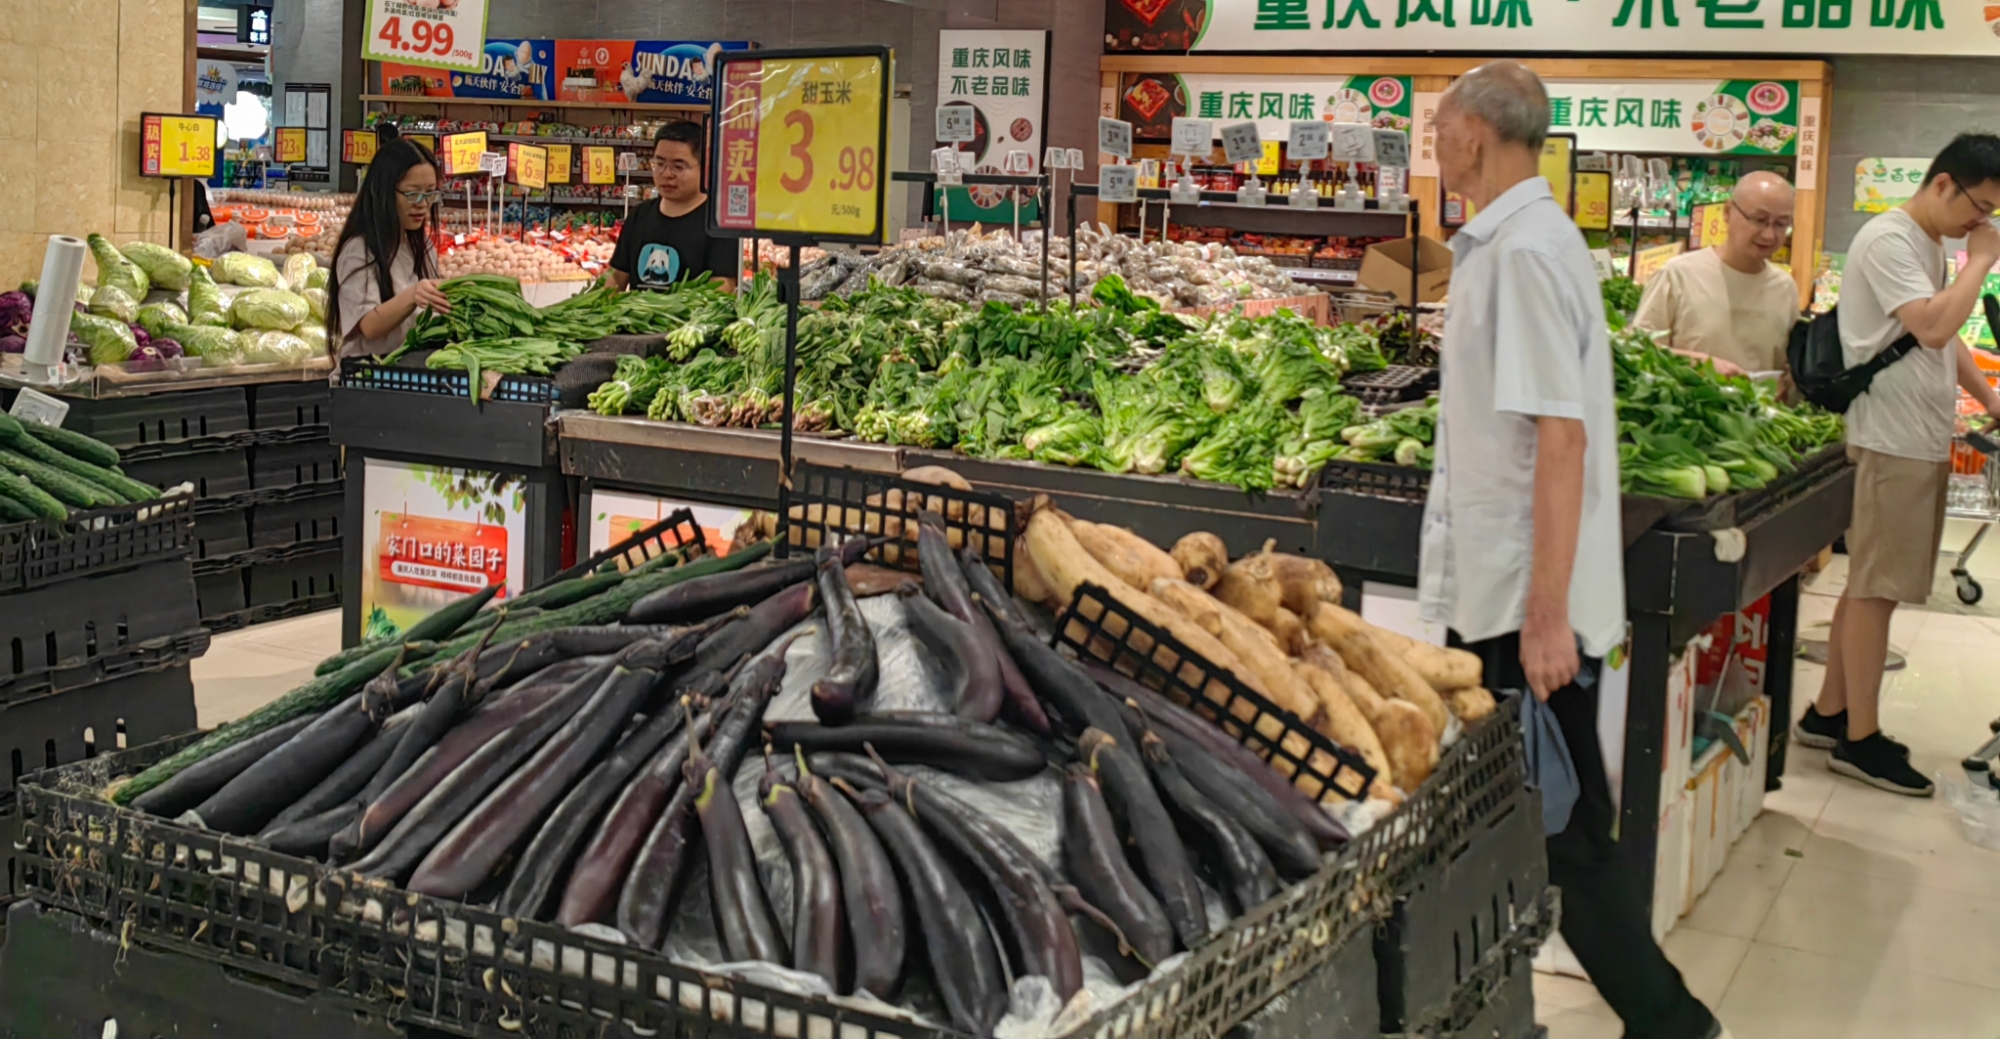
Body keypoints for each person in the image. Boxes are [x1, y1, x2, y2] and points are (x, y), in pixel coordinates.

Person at [1421, 61, 1728, 1039]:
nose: (1430, 139)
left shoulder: (1520, 253)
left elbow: (1560, 439)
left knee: (1563, 831)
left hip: (1523, 604)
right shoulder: (1515, 242)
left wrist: (1544, 612)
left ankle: (1671, 1021)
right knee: (1518, 821)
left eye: (1438, 123)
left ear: (1475, 133)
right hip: (1504, 594)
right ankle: (1492, 1002)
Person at [1797, 134, 2000, 796]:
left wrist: (1990, 395)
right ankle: (1860, 739)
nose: (1984, 221)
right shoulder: (1889, 241)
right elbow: (1936, 326)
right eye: (1981, 206)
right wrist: (1982, 263)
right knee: (1875, 589)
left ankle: (1828, 713)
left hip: (1914, 437)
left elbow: (1935, 343)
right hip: (1887, 439)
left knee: (1874, 583)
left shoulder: (1932, 246)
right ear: (1944, 184)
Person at [1633, 171, 1801, 379]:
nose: (1769, 234)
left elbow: (1787, 365)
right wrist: (1697, 362)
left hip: (1760, 410)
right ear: (1728, 212)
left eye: (1781, 224)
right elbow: (1637, 350)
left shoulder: (1784, 287)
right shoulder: (1678, 275)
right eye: (1759, 220)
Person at [327, 126, 449, 358]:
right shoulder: (359, 251)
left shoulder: (423, 247)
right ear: (384, 192)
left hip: (408, 370)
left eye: (430, 193)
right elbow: (369, 326)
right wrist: (413, 295)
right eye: (413, 194)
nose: (422, 204)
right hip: (367, 376)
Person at [610, 121, 738, 292]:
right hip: (637, 317)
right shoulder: (640, 214)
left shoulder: (718, 222)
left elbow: (722, 287)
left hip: (690, 318)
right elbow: (616, 277)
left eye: (678, 167)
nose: (667, 174)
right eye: (660, 164)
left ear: (705, 168)